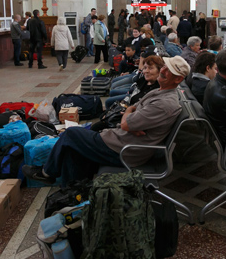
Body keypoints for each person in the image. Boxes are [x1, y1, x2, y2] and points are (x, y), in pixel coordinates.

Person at [22, 56, 190, 185]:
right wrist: (130, 117)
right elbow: (132, 109)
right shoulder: (159, 92)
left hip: (124, 150)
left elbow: (126, 121)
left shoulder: (164, 103)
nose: (163, 71)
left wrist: (129, 121)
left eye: (170, 71)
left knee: (71, 135)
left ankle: (47, 173)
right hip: (120, 139)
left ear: (178, 79)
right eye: (165, 67)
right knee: (74, 149)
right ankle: (73, 188)